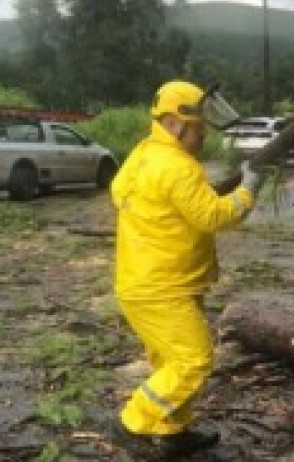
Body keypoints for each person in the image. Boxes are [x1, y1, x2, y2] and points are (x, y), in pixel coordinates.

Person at [109, 80, 265, 460]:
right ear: (176, 124)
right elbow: (214, 216)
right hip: (163, 287)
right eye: (198, 130)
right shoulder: (177, 167)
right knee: (194, 359)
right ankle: (132, 422)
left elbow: (117, 191)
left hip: (146, 281)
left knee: (169, 360)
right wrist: (249, 188)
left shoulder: (144, 153)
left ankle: (172, 429)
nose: (203, 137)